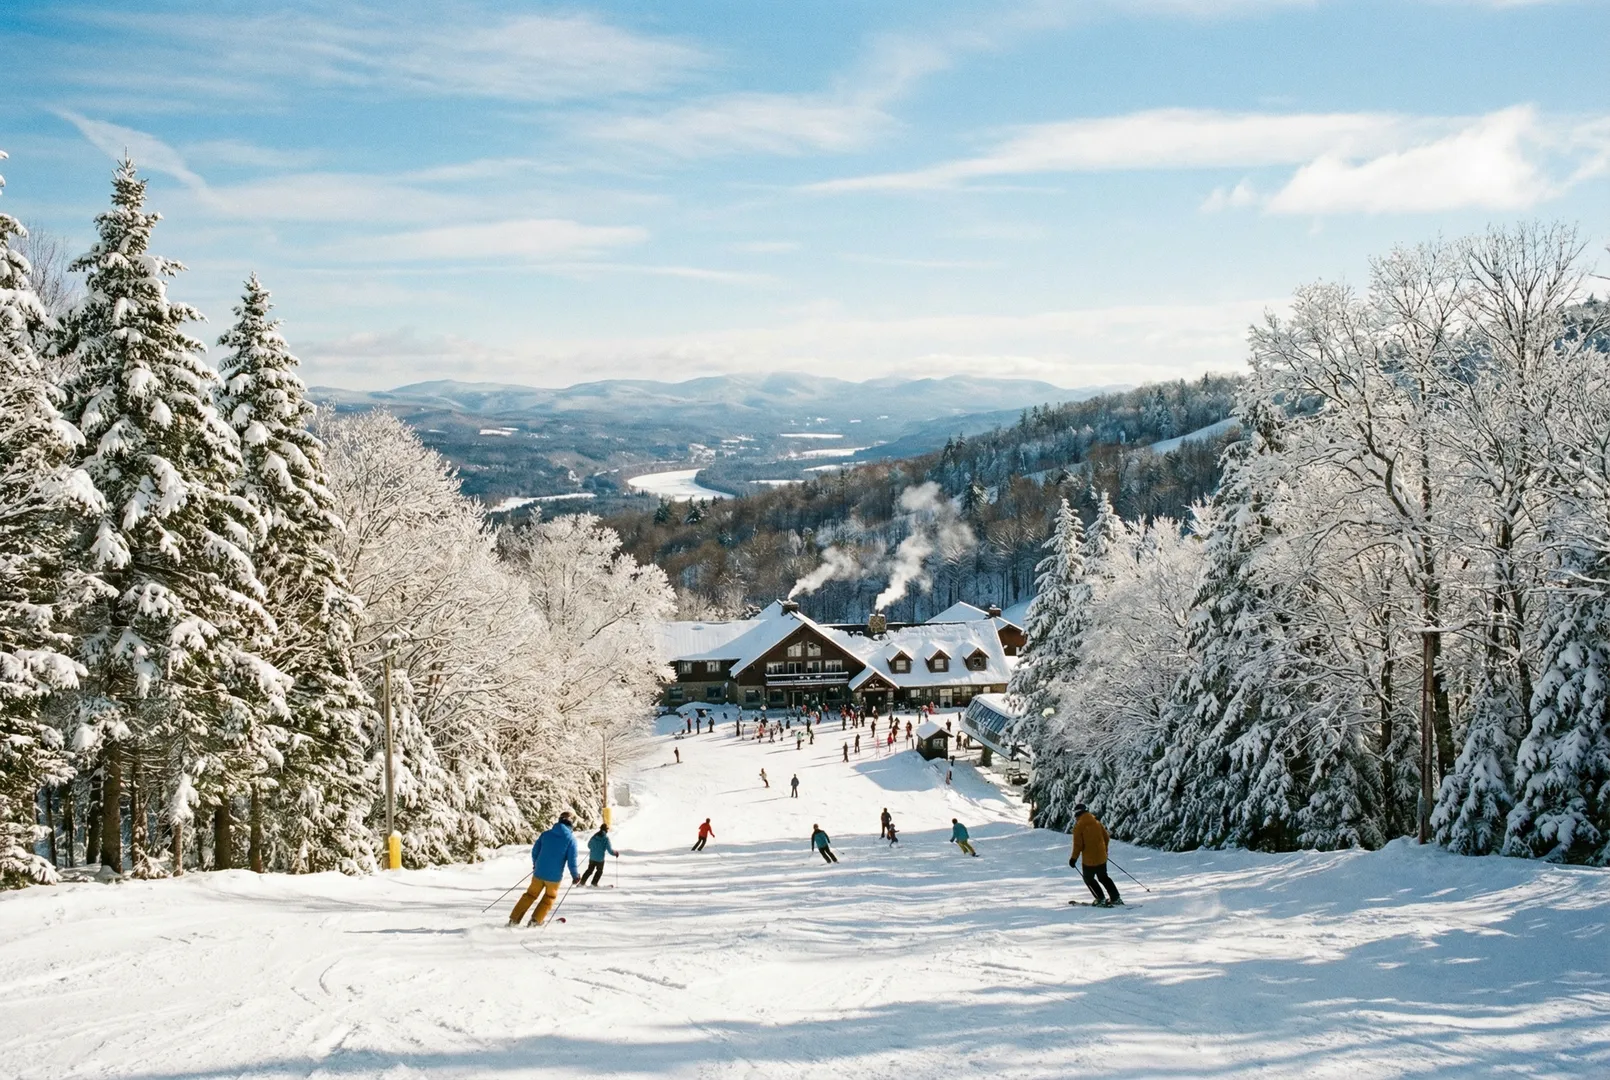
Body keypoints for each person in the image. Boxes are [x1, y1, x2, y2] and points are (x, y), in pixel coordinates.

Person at [509, 811, 581, 926]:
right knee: (549, 897)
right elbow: (572, 861)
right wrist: (575, 875)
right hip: (554, 878)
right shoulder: (571, 839)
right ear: (571, 824)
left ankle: (514, 919)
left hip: (538, 873)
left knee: (530, 895)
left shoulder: (546, 834)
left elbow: (535, 852)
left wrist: (535, 864)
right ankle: (535, 921)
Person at [1070, 803, 1121, 906]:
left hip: (1089, 860)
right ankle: (1116, 898)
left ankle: (1100, 898)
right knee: (1103, 877)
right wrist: (1104, 851)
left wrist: (1073, 859)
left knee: (1088, 878)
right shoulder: (1096, 822)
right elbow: (1106, 837)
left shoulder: (1079, 826)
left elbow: (1078, 845)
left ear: (1077, 814)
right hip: (1102, 858)